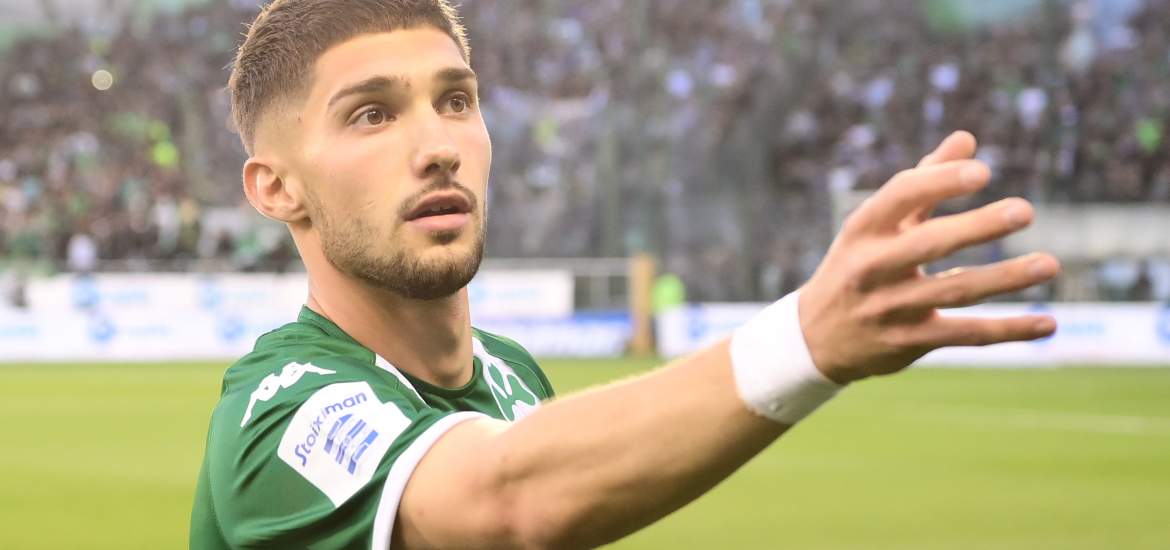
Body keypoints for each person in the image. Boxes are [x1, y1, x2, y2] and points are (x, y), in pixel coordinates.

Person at [189, 1, 1061, 548]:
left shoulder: (511, 376)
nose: (438, 147)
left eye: (456, 100)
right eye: (371, 115)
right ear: (276, 189)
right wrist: (804, 342)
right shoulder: (277, 414)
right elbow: (500, 506)